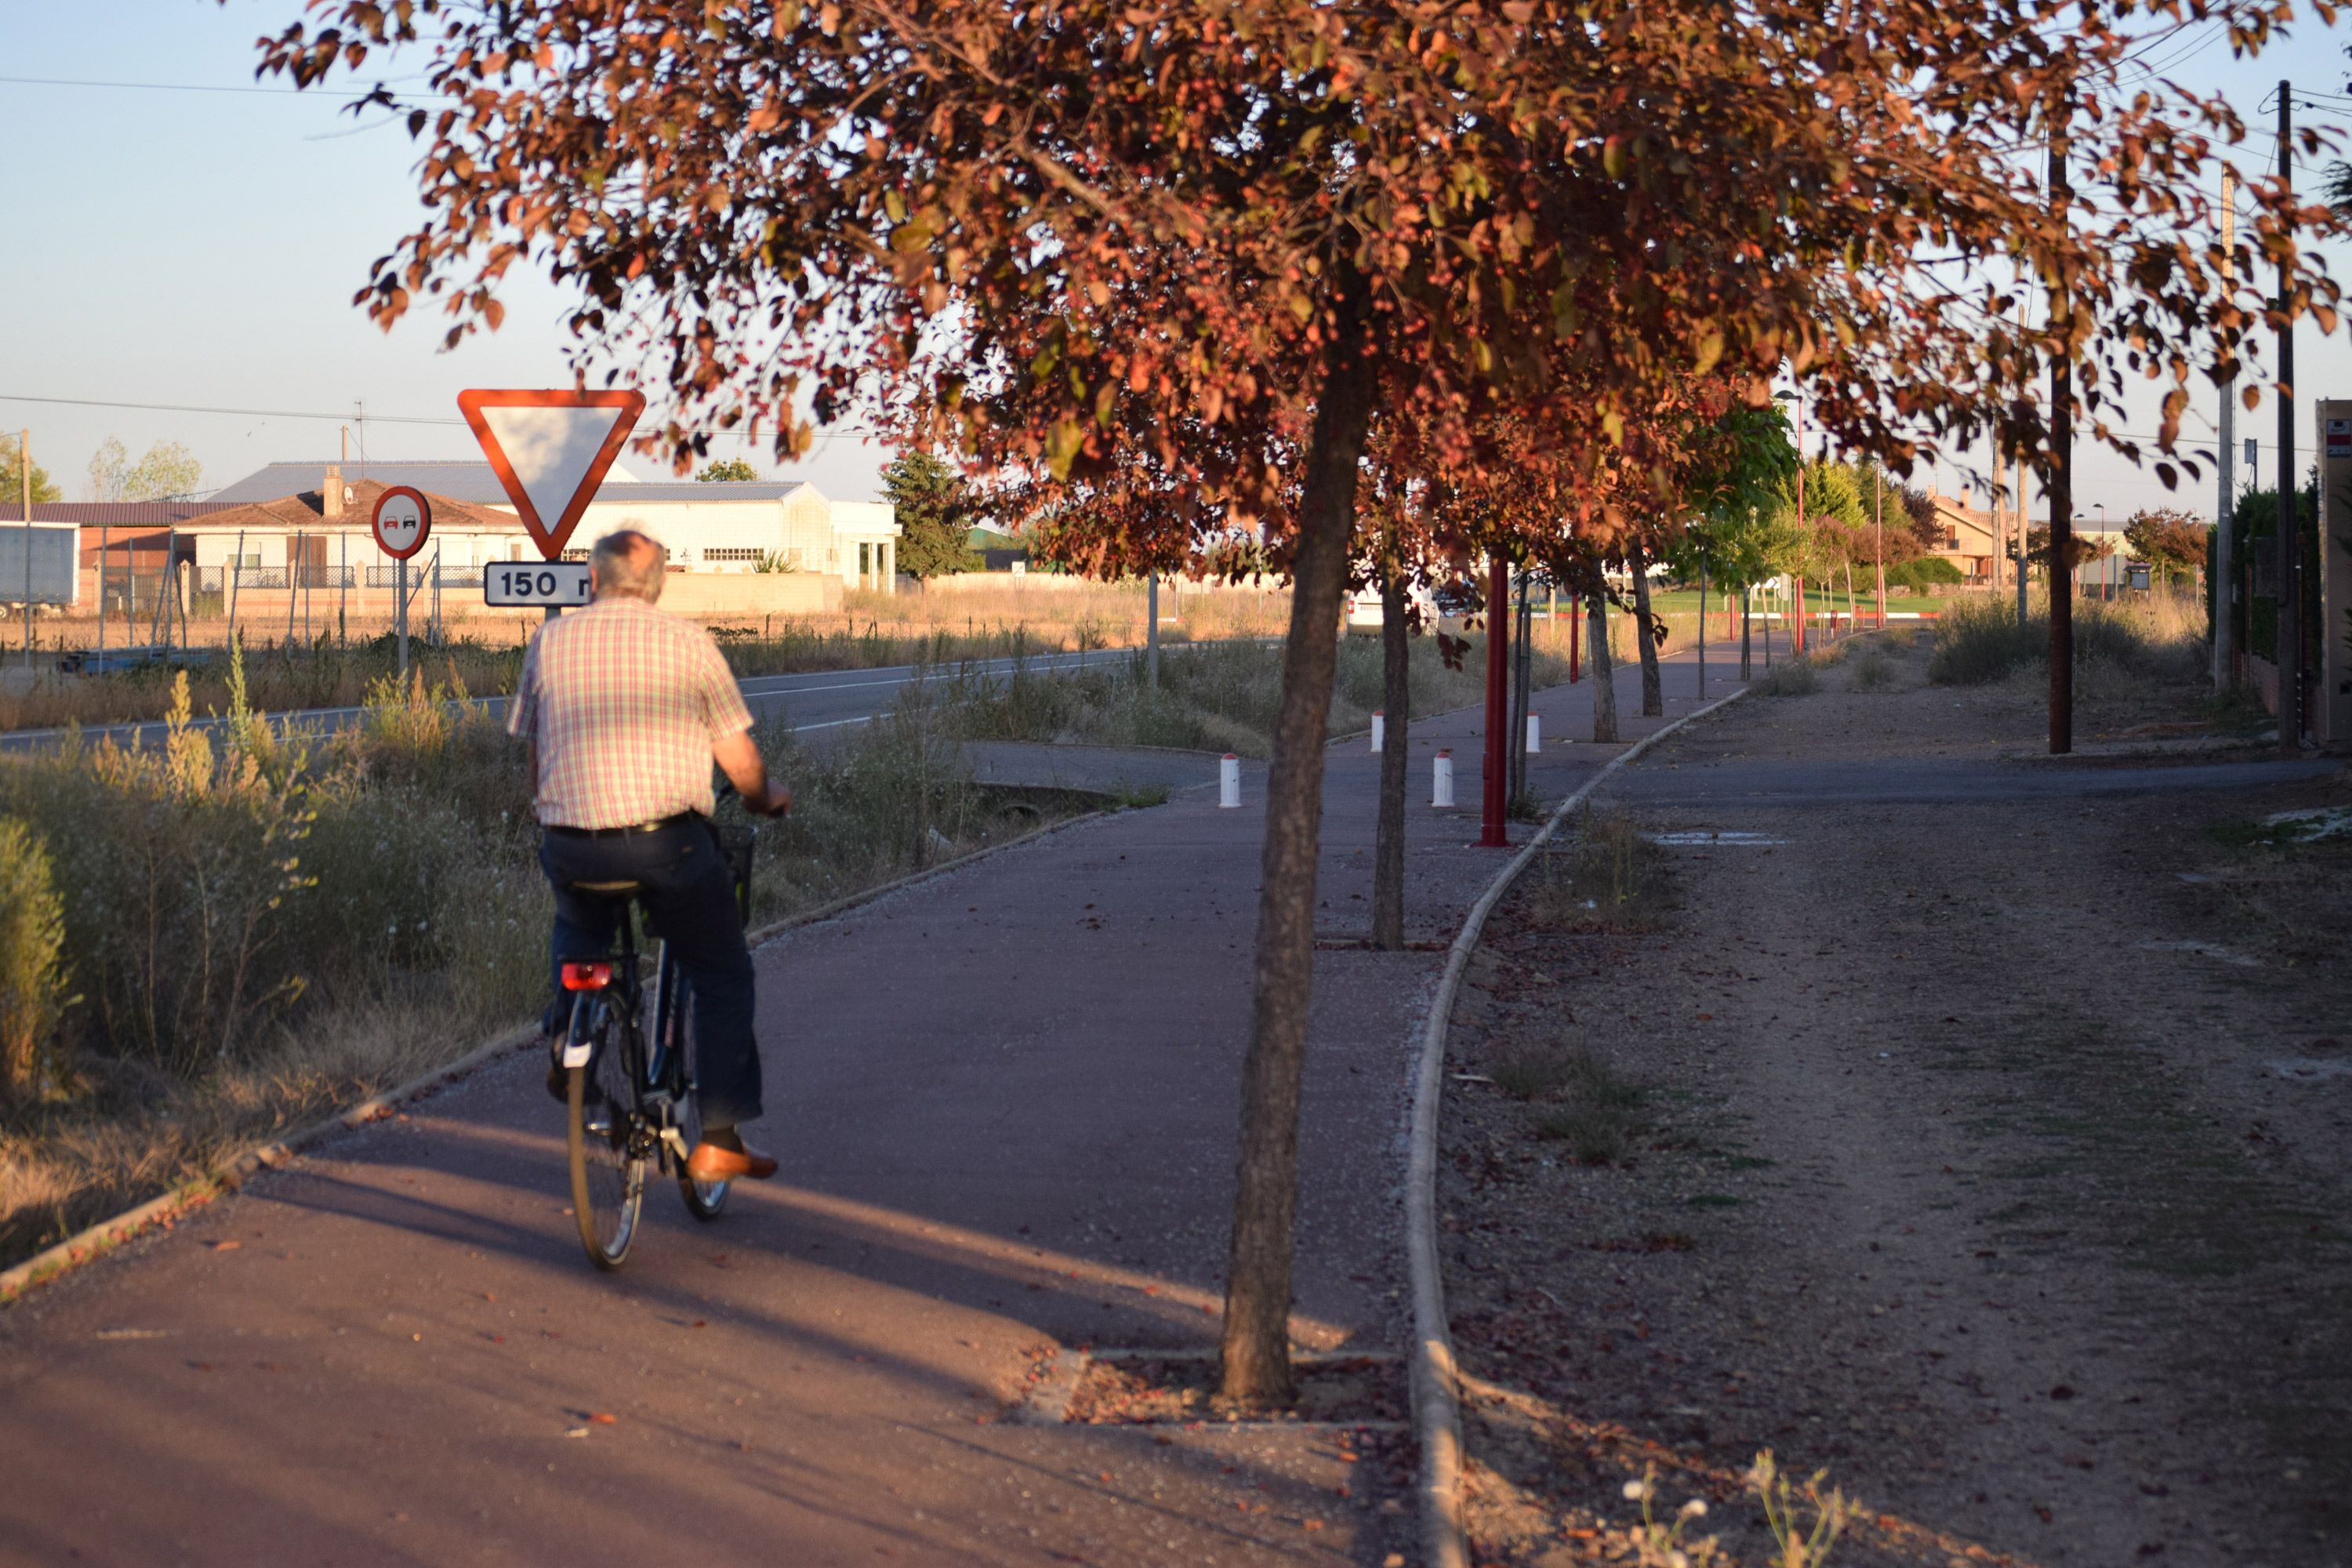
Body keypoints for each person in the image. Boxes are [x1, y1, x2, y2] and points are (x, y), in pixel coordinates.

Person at [506, 528, 790, 1182]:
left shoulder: (550, 641)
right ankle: (719, 1135)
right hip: (669, 843)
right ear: (659, 585)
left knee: (579, 928)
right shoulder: (689, 643)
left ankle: (567, 1033)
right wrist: (762, 797)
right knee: (721, 971)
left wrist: (554, 815)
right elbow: (739, 758)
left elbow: (534, 750)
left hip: (573, 842)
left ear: (593, 579)